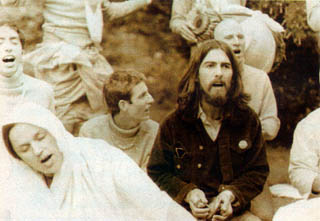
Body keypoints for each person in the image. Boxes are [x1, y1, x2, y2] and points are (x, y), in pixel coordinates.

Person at [0, 102, 196, 220]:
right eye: (24, 149)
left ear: (54, 131)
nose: (37, 150)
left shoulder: (99, 156)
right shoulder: (21, 188)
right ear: (18, 158)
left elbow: (156, 205)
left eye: (40, 137)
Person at [147, 40, 269, 220]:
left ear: (234, 76)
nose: (219, 73)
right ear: (196, 75)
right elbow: (158, 171)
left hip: (234, 213)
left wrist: (231, 195)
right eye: (210, 66)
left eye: (225, 66)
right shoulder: (174, 124)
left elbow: (257, 171)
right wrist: (188, 193)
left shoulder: (248, 120)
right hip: (185, 213)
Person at [1, 0, 152, 134]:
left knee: (96, 113)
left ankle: (88, 157)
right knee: (60, 114)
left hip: (89, 58)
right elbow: (13, 6)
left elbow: (110, 11)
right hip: (61, 60)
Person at [0, 21, 55, 183]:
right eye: (0, 42)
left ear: (22, 51)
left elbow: (53, 139)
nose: (8, 47)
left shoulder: (43, 91)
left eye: (14, 41)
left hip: (35, 177)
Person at [170, 0, 284, 73]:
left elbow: (240, 13)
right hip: (203, 45)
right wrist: (180, 26)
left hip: (233, 44)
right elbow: (176, 19)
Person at [214, 18, 280, 141]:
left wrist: (247, 130)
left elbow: (271, 124)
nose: (236, 42)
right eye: (229, 38)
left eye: (240, 37)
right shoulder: (207, 76)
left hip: (248, 151)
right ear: (217, 43)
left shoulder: (260, 78)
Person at [79, 70, 158, 171]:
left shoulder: (154, 132)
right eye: (142, 96)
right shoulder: (91, 132)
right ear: (123, 105)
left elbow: (149, 181)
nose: (151, 100)